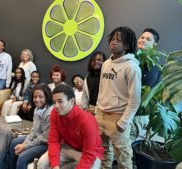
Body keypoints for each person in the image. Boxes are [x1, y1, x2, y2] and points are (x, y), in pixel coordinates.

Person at [96, 26, 141, 169]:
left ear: (127, 45)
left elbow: (135, 100)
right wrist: (97, 110)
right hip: (101, 116)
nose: (113, 43)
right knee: (103, 153)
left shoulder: (131, 67)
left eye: (119, 40)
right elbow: (102, 89)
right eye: (112, 39)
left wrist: (123, 123)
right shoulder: (106, 64)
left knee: (123, 157)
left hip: (118, 118)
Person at [38, 84, 104, 169]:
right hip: (68, 148)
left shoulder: (87, 121)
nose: (56, 106)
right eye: (54, 102)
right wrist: (55, 165)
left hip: (90, 153)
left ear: (72, 101)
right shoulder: (55, 113)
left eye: (60, 101)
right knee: (42, 164)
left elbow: (89, 154)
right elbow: (54, 141)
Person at [9, 85, 54, 169]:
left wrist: (25, 146)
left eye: (40, 97)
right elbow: (34, 131)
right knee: (14, 143)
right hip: (38, 138)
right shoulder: (37, 109)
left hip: (47, 143)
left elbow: (44, 139)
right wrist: (24, 143)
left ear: (47, 97)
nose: (37, 99)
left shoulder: (50, 113)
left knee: (22, 157)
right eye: (35, 97)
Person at [131, 28, 161, 141]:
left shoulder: (153, 67)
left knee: (126, 147)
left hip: (137, 114)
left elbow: (144, 95)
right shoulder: (130, 59)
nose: (143, 40)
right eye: (142, 37)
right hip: (121, 110)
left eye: (148, 39)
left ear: (154, 45)